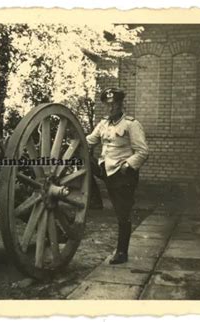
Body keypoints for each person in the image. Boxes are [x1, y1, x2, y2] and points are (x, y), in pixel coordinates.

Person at [86, 87, 149, 264]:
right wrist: (73, 141)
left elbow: (142, 152)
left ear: (121, 104)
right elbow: (90, 140)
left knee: (123, 213)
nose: (110, 108)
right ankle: (94, 199)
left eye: (114, 105)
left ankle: (122, 252)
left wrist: (128, 166)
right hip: (105, 169)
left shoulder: (131, 124)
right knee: (82, 160)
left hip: (123, 175)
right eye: (107, 105)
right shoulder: (103, 123)